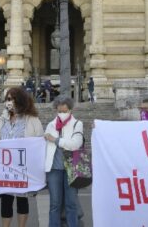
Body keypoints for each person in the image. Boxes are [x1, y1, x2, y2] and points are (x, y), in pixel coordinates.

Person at [0, 87, 44, 227]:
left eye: (13, 99)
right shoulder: (3, 118)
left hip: (23, 166)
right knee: (6, 199)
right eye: (8, 99)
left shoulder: (32, 119)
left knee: (22, 199)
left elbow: (39, 140)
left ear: (20, 101)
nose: (10, 102)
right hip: (5, 167)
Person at [44, 96, 84, 227]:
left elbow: (75, 144)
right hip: (54, 170)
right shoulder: (50, 125)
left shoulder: (77, 124)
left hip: (71, 169)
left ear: (70, 110)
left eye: (64, 111)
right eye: (59, 111)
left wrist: (56, 140)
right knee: (54, 204)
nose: (62, 114)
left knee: (71, 203)